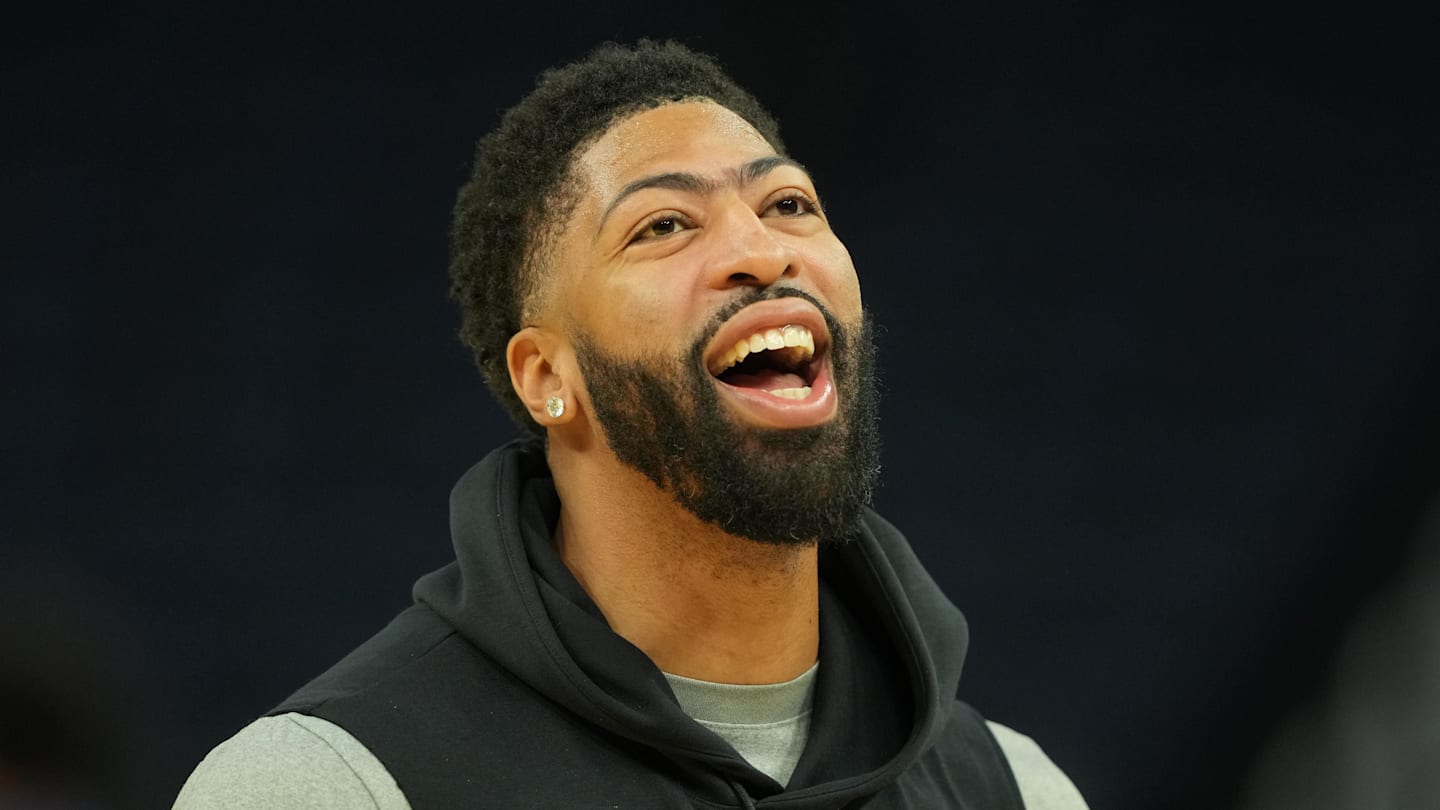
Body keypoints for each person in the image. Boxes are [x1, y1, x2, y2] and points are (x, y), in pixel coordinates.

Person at [174, 41, 1089, 809]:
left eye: (789, 205)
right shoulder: (331, 787)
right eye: (663, 225)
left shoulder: (1015, 789)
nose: (763, 251)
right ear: (546, 376)